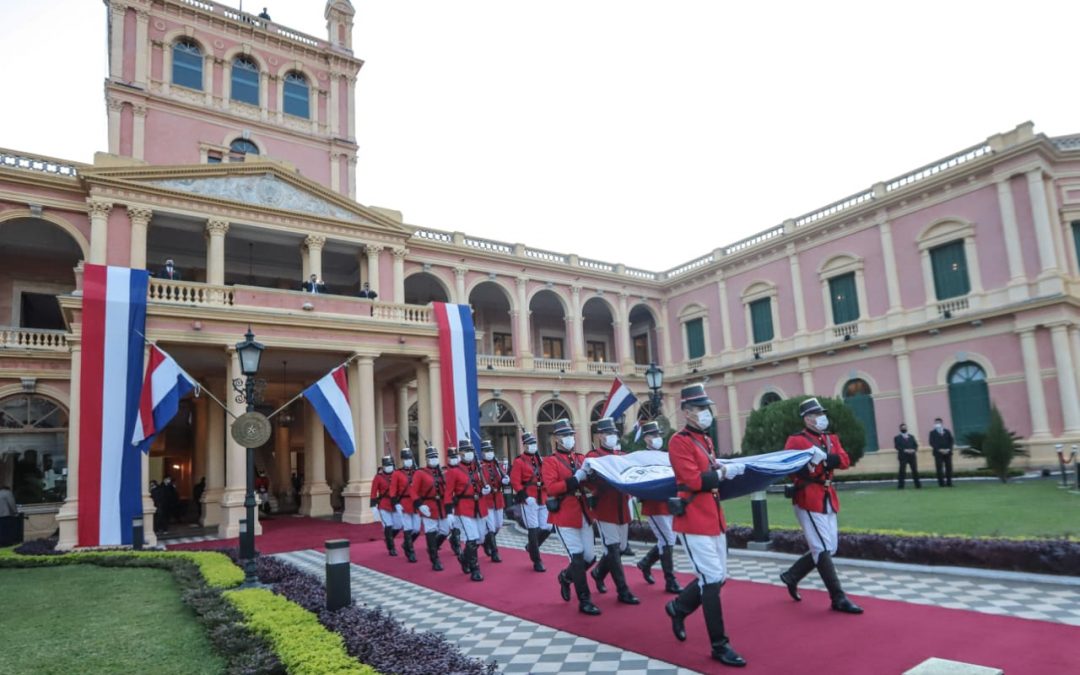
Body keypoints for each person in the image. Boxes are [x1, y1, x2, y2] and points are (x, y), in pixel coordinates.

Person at [664, 384, 746, 668]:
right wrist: (723, 473)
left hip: (713, 517)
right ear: (687, 412)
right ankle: (719, 645)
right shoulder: (679, 441)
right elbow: (694, 480)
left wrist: (722, 467)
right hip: (693, 520)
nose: (705, 413)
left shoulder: (705, 440)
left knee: (718, 577)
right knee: (711, 579)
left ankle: (678, 607)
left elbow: (708, 471)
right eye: (700, 408)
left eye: (706, 408)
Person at [779, 397, 864, 615]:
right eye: (817, 415)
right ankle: (838, 597)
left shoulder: (831, 438)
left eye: (822, 414)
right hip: (808, 495)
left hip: (827, 495)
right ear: (807, 419)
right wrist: (811, 463)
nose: (821, 418)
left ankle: (793, 575)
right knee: (822, 548)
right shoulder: (796, 440)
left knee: (830, 547)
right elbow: (789, 467)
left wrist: (824, 458)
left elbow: (844, 460)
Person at [542, 418, 601, 615]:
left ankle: (566, 577)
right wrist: (575, 479)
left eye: (570, 435)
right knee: (577, 556)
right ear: (557, 439)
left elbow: (590, 484)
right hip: (565, 514)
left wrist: (592, 477)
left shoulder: (580, 458)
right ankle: (585, 600)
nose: (569, 438)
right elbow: (551, 488)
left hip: (583, 512)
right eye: (564, 435)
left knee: (589, 558)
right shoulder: (550, 461)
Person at [586, 417, 639, 605]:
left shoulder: (622, 455)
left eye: (614, 433)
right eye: (608, 433)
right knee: (614, 549)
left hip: (622, 508)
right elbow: (589, 482)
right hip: (605, 508)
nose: (612, 436)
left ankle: (598, 572)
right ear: (600, 436)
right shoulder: (593, 456)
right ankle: (623, 590)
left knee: (621, 548)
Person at [636, 420, 682, 594]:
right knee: (668, 539)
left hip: (669, 502)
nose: (657, 438)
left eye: (658, 435)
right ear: (646, 438)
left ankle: (646, 563)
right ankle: (670, 580)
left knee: (668, 539)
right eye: (653, 435)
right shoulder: (641, 457)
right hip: (654, 504)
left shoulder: (665, 455)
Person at [444, 438, 488, 582]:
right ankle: (475, 569)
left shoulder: (477, 468)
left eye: (470, 450)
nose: (469, 453)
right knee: (472, 538)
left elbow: (480, 483)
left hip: (479, 506)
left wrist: (485, 489)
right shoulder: (454, 471)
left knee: (481, 538)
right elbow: (448, 493)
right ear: (460, 453)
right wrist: (449, 512)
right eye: (466, 451)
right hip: (464, 508)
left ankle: (464, 558)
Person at [511, 429, 552, 572]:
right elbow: (515, 482)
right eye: (530, 443)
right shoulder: (519, 461)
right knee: (533, 530)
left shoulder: (540, 460)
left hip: (543, 497)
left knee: (547, 527)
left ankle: (531, 547)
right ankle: (537, 560)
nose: (533, 446)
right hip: (529, 499)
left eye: (534, 443)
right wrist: (525, 497)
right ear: (525, 445)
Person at [410, 445, 449, 571]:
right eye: (431, 457)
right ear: (426, 459)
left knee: (445, 530)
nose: (434, 459)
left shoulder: (441, 472)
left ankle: (433, 547)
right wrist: (419, 505)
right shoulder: (420, 473)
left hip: (441, 506)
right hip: (428, 506)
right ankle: (434, 559)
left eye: (435, 456)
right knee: (431, 531)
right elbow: (413, 491)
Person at [479, 439, 509, 563]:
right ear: (482, 452)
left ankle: (486, 542)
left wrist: (505, 480)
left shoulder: (497, 465)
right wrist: (482, 489)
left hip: (498, 498)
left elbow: (503, 476)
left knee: (498, 525)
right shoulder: (479, 466)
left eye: (491, 450)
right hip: (487, 500)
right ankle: (494, 552)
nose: (489, 453)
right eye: (487, 451)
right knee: (491, 527)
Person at [390, 447, 420, 563]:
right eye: (406, 459)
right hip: (404, 503)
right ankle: (410, 552)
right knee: (408, 528)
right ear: (402, 460)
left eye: (410, 458)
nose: (408, 460)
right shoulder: (397, 473)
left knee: (417, 529)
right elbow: (393, 490)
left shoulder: (417, 472)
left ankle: (406, 544)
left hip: (415, 503)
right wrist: (396, 503)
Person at [370, 455, 401, 557]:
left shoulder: (397, 475)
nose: (389, 467)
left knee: (398, 525)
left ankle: (388, 538)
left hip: (395, 503)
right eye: (387, 465)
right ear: (383, 466)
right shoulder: (378, 477)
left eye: (390, 465)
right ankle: (391, 548)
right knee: (388, 525)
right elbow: (373, 492)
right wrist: (373, 506)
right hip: (384, 504)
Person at [929, 418, 955, 487]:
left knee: (949, 467)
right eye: (936, 423)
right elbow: (931, 442)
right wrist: (939, 449)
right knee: (939, 468)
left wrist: (948, 449)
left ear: (941, 423)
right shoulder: (932, 433)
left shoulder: (947, 431)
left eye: (939, 422)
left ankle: (949, 483)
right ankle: (941, 483)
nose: (937, 424)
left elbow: (951, 441)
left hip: (947, 452)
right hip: (938, 453)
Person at [894, 423, 921, 489]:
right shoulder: (897, 437)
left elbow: (916, 445)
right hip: (903, 457)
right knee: (902, 471)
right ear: (900, 429)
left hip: (912, 456)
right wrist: (905, 450)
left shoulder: (911, 436)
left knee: (915, 470)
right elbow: (897, 446)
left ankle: (918, 485)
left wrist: (913, 450)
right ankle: (901, 486)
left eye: (905, 427)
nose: (904, 428)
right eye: (903, 427)